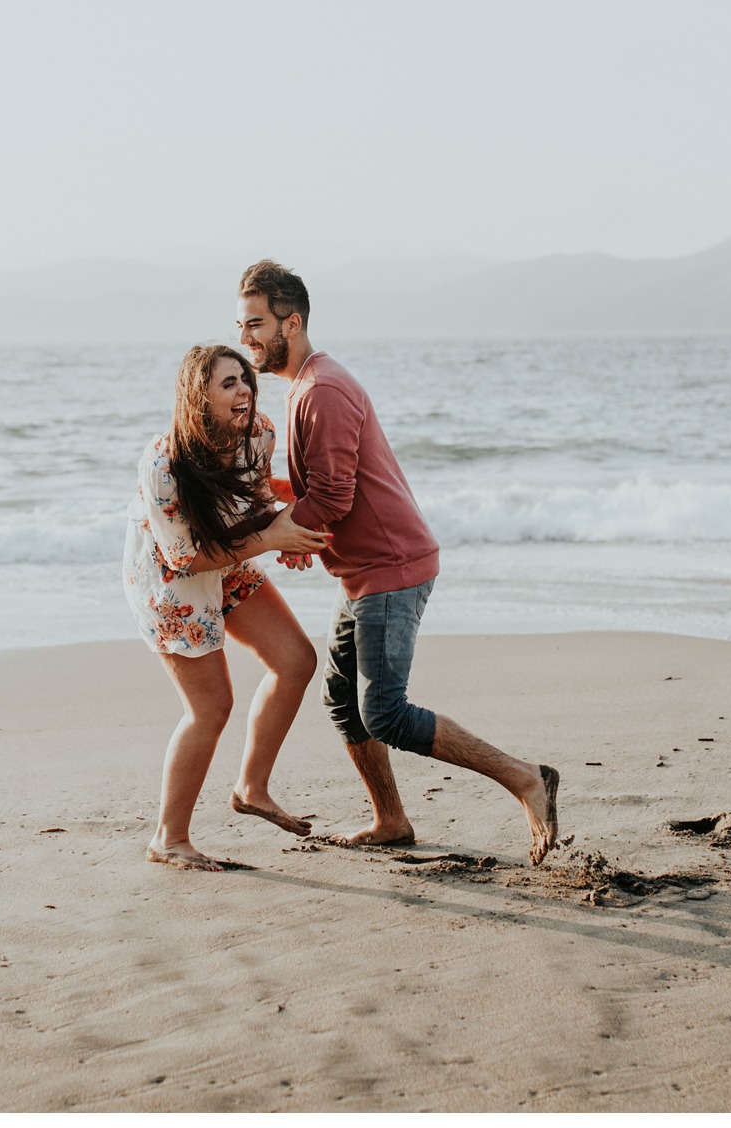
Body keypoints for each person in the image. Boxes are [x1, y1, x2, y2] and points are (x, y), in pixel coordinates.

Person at [235, 261, 562, 865]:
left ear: (293, 320)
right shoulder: (307, 386)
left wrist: (287, 533)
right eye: (241, 324)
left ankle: (526, 778)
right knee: (342, 700)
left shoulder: (323, 390)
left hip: (390, 568)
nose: (246, 337)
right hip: (363, 570)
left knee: (382, 712)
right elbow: (327, 491)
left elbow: (331, 498)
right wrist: (277, 509)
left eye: (256, 324)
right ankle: (391, 819)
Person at [123, 342, 332, 871]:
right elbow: (184, 557)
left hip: (229, 556)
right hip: (171, 580)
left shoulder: (258, 433)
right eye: (228, 383)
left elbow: (257, 498)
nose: (244, 390)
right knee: (211, 707)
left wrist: (283, 530)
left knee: (296, 661)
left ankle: (252, 788)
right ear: (199, 397)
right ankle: (168, 839)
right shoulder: (163, 462)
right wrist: (268, 539)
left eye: (245, 379)